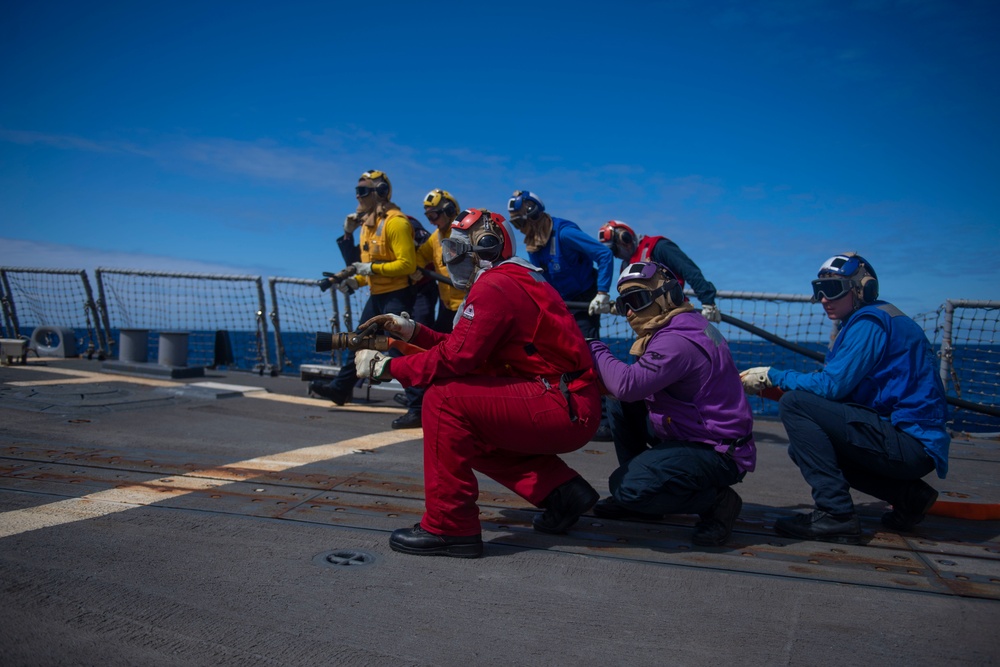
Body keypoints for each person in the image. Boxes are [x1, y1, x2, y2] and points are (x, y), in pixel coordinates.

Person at [354, 208, 603, 558]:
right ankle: (563, 493)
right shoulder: (511, 277)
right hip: (568, 400)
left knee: (444, 401)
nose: (450, 259)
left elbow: (457, 360)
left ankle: (450, 527)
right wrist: (411, 331)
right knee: (468, 430)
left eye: (455, 251)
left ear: (486, 246)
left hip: (561, 403)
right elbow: (465, 347)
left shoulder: (495, 285)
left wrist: (388, 368)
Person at [740, 253, 950, 544]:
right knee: (804, 449)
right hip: (911, 443)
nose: (824, 298)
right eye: (819, 290)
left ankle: (836, 514)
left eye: (834, 289)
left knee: (794, 404)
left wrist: (773, 376)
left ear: (863, 289)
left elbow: (832, 387)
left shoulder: (868, 324)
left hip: (909, 443)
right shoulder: (874, 318)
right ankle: (910, 497)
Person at [589, 261, 756, 546]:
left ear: (668, 297)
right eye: (623, 304)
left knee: (625, 486)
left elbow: (627, 385)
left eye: (637, 300)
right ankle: (645, 504)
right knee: (620, 405)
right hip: (692, 433)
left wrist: (592, 345)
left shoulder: (676, 341)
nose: (628, 312)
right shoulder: (686, 323)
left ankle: (717, 503)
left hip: (718, 452)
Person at [508, 189, 615, 441]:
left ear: (533, 212)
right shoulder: (535, 242)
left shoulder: (564, 234)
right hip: (563, 304)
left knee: (589, 356)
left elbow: (603, 254)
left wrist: (602, 292)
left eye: (520, 221)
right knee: (559, 357)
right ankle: (570, 410)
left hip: (585, 302)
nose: (520, 228)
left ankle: (606, 421)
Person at [309, 169, 416, 405]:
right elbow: (364, 266)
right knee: (357, 341)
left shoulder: (396, 222)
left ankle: (419, 402)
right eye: (356, 191)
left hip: (396, 296)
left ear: (380, 192)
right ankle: (340, 389)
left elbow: (408, 265)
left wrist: (372, 270)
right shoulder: (367, 225)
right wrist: (355, 282)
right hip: (377, 295)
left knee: (399, 348)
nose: (358, 196)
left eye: (363, 191)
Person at [390, 189, 468, 429]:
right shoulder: (436, 237)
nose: (432, 221)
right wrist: (415, 266)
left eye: (434, 215)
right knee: (435, 353)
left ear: (448, 210)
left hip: (467, 308)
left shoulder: (464, 233)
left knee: (463, 358)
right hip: (448, 308)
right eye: (429, 217)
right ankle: (428, 398)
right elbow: (421, 257)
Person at [598, 220, 722, 323]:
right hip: (649, 323)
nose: (614, 256)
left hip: (674, 316)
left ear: (625, 239)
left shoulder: (659, 247)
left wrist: (708, 302)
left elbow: (689, 270)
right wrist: (620, 306)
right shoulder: (626, 265)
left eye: (613, 250)